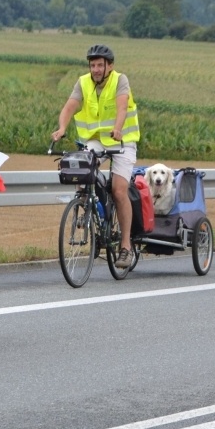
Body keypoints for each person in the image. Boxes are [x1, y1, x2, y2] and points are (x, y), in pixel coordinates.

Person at [51, 44, 140, 268]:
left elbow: (122, 108)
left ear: (109, 66)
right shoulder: (83, 82)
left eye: (100, 65)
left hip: (122, 140)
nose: (96, 69)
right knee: (79, 168)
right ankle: (86, 205)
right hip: (97, 139)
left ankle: (126, 246)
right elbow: (69, 107)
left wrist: (118, 128)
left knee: (119, 190)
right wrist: (62, 128)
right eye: (93, 65)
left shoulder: (120, 80)